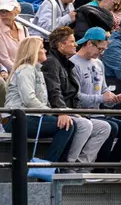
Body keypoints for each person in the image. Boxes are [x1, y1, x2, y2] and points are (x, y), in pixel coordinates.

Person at [40, 25, 113, 167]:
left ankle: (81, 166)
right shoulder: (52, 62)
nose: (76, 44)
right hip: (60, 111)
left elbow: (73, 94)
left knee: (104, 127)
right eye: (72, 41)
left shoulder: (66, 63)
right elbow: (54, 91)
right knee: (85, 125)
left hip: (72, 110)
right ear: (61, 45)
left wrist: (79, 113)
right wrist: (62, 112)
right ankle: (69, 165)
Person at [4, 37, 76, 165]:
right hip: (17, 119)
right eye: (42, 48)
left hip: (27, 117)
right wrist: (53, 113)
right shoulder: (26, 69)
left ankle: (55, 165)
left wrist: (60, 112)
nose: (45, 51)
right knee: (66, 126)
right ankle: (47, 166)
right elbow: (29, 99)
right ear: (34, 52)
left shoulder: (36, 70)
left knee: (68, 122)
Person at [69, 26, 121, 162]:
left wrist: (112, 99)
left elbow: (103, 90)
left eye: (104, 49)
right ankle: (100, 167)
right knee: (111, 128)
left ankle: (109, 166)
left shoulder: (99, 63)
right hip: (82, 114)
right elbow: (76, 97)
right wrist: (102, 98)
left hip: (98, 113)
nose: (101, 53)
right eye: (100, 49)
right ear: (89, 43)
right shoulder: (73, 64)